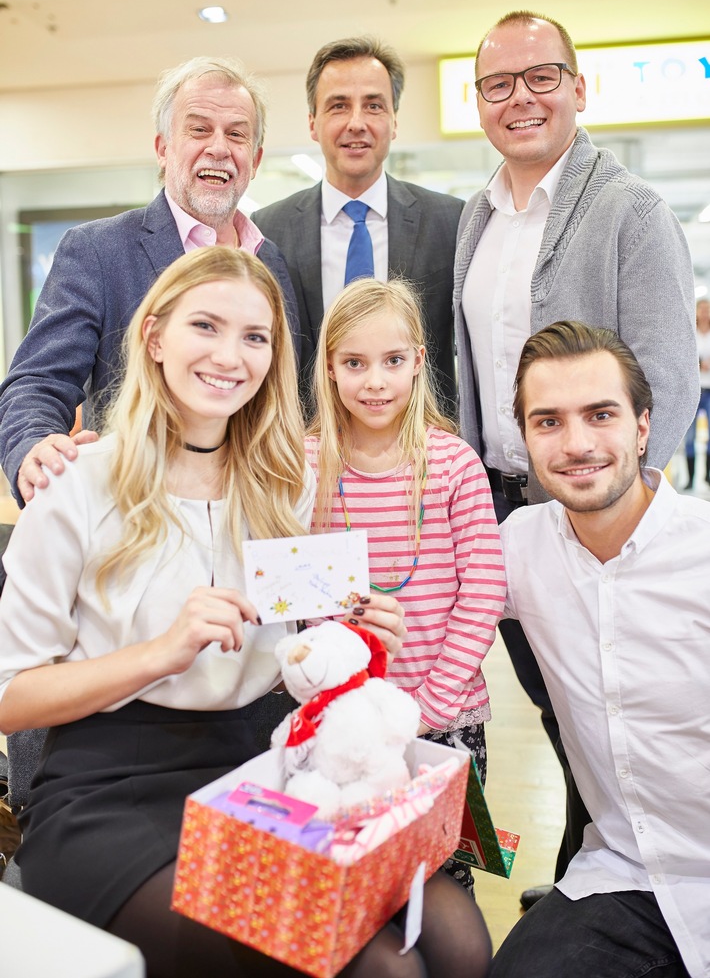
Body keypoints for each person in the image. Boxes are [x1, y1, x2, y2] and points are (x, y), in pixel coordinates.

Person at [0, 247, 492, 978]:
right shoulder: (78, 483)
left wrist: (352, 639)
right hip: (111, 789)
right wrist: (161, 651)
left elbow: (303, 654)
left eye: (255, 337)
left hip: (260, 770)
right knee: (378, 970)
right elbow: (11, 698)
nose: (231, 355)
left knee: (457, 941)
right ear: (155, 337)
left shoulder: (286, 486)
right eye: (207, 325)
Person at [453, 9, 699, 904]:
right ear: (478, 102)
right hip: (501, 508)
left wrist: (616, 516)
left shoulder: (629, 209)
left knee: (607, 706)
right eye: (497, 84)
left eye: (541, 76)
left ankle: (597, 883)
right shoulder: (477, 218)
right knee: (566, 714)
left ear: (578, 87)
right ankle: (595, 873)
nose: (520, 99)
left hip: (593, 512)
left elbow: (664, 376)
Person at [490, 319, 708, 978]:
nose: (577, 443)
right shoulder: (517, 547)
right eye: (548, 421)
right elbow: (413, 605)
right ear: (525, 437)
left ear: (643, 425)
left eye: (601, 414)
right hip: (626, 875)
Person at [0, 55, 300, 508]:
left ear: (254, 160)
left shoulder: (271, 260)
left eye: (236, 134)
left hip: (252, 517)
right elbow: (38, 382)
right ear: (163, 148)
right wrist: (33, 448)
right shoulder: (98, 251)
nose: (219, 147)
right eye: (199, 129)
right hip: (137, 514)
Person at [306, 277, 506, 894]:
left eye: (393, 361)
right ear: (330, 367)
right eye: (355, 363)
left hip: (445, 720)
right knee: (356, 870)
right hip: (344, 718)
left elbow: (483, 590)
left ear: (419, 361)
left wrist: (430, 707)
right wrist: (341, 691)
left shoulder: (451, 464)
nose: (375, 382)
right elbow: (295, 591)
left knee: (442, 874)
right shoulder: (305, 464)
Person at [252, 36, 463, 411]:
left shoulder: (450, 222)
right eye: (338, 106)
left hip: (423, 452)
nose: (356, 123)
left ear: (394, 121)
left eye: (374, 106)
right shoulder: (268, 231)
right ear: (313, 123)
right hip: (305, 452)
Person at [683, 297, 710, 490]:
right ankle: (690, 478)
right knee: (690, 436)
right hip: (694, 390)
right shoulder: (690, 333)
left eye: (707, 309)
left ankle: (708, 477)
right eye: (701, 309)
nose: (704, 313)